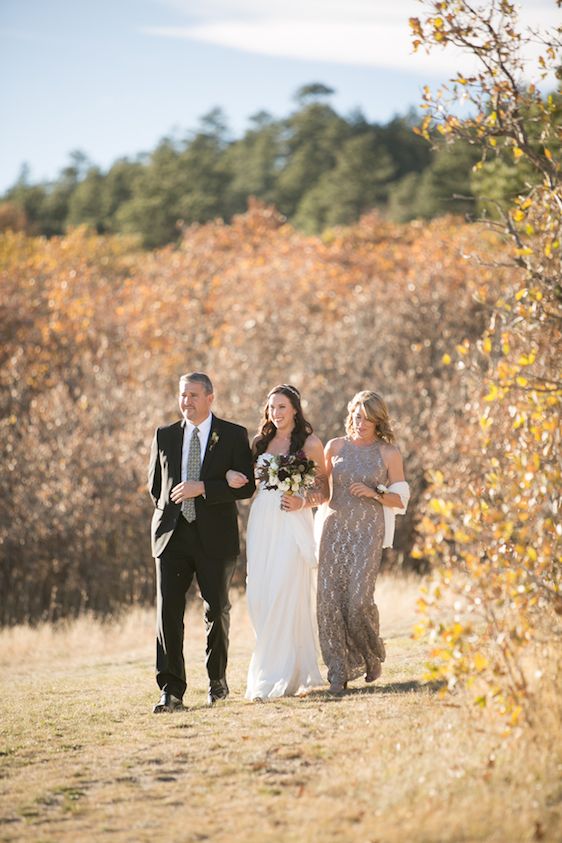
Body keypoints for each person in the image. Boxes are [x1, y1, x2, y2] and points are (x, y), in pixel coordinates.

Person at [148, 372, 255, 712]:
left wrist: (205, 488)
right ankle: (171, 691)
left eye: (193, 395)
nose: (186, 402)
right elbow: (156, 487)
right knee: (168, 613)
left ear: (210, 397)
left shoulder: (234, 435)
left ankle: (217, 681)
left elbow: (249, 486)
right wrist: (170, 514)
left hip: (215, 538)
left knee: (217, 609)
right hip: (172, 537)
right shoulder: (163, 435)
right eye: (183, 395)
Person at [226, 384, 328, 700]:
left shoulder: (310, 443)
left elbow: (325, 490)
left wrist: (301, 502)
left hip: (292, 518)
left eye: (282, 407)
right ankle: (276, 665)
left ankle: (280, 675)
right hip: (262, 520)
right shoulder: (260, 442)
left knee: (286, 590)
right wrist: (233, 477)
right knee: (260, 595)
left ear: (295, 409)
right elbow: (249, 484)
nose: (276, 413)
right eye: (272, 407)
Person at [317, 390, 409, 694]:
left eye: (368, 419)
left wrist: (374, 493)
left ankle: (371, 653)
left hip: (368, 531)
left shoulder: (388, 453)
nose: (361, 423)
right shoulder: (334, 447)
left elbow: (400, 501)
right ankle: (337, 671)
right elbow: (321, 492)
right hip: (334, 529)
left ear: (378, 421)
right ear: (350, 415)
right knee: (329, 601)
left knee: (358, 600)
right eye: (358, 416)